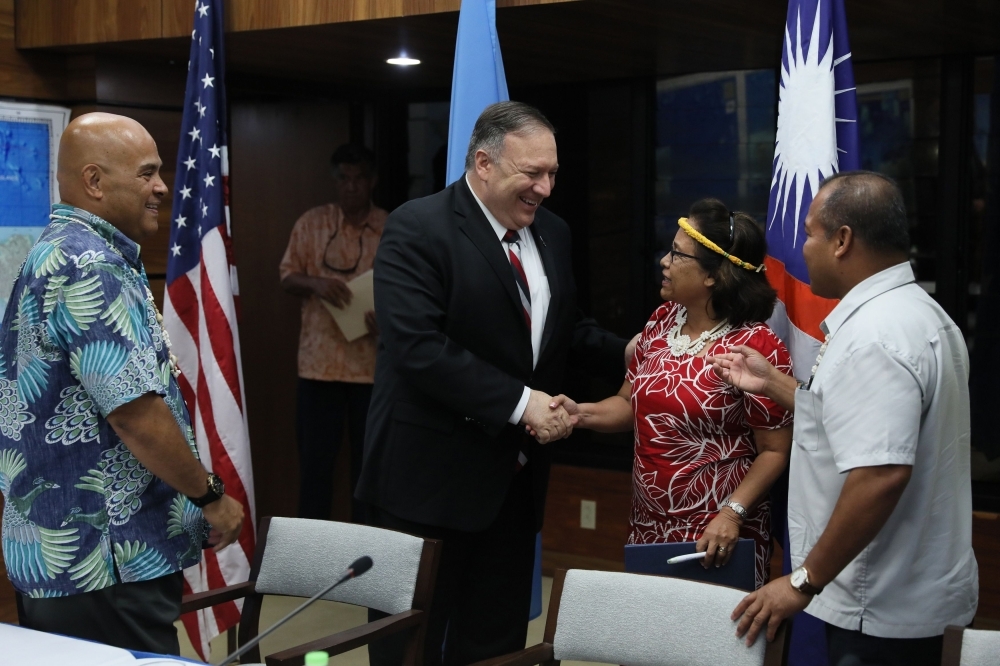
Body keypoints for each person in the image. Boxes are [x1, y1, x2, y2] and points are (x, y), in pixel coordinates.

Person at [357, 101, 626, 665]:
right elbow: (418, 348)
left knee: (496, 647)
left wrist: (625, 350)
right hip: (424, 487)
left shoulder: (552, 232)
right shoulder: (417, 226)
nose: (546, 188)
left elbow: (559, 327)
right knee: (409, 648)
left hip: (513, 488)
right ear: (484, 163)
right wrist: (523, 403)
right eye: (533, 174)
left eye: (552, 173)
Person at [0, 112, 244, 653]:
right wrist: (209, 495)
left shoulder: (55, 251)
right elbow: (134, 414)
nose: (162, 187)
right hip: (104, 558)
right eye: (147, 173)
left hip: (63, 555)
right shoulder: (90, 266)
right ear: (94, 181)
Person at [714, 172, 978, 666]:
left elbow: (880, 474)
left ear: (843, 241)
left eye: (811, 233)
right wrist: (772, 383)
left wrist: (803, 580)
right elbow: (859, 420)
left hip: (876, 604)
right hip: (907, 593)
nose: (803, 248)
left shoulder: (875, 336)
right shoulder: (921, 314)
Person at [551, 200, 793, 588]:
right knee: (652, 643)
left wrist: (731, 514)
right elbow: (629, 405)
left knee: (709, 646)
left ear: (713, 276)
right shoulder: (662, 321)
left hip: (716, 532)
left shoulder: (754, 347)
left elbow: (775, 450)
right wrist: (578, 413)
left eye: (677, 254)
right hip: (648, 525)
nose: (664, 261)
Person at [279, 144, 385, 523]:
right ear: (336, 181)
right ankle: (311, 557)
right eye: (344, 179)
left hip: (371, 371)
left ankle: (366, 555)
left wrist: (388, 320)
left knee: (369, 472)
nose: (352, 187)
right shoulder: (312, 222)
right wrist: (318, 284)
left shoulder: (390, 228)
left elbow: (410, 293)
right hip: (318, 369)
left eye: (360, 179)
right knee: (315, 468)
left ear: (372, 182)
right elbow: (287, 276)